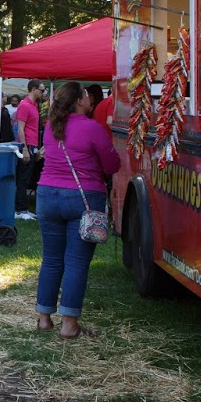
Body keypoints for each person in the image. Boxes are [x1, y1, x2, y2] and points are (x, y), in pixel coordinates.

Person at [36, 80, 121, 339]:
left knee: (51, 259)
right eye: (86, 94)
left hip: (47, 194)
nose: (90, 98)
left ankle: (43, 318)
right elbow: (112, 165)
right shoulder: (91, 128)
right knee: (76, 261)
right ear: (79, 100)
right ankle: (69, 324)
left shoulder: (51, 127)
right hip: (82, 197)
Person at [14, 80, 45, 220]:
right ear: (33, 89)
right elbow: (20, 128)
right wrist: (25, 148)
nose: (43, 93)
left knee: (27, 177)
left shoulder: (34, 105)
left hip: (32, 145)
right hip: (26, 145)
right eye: (41, 90)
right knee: (23, 178)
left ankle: (23, 208)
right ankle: (20, 210)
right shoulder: (25, 105)